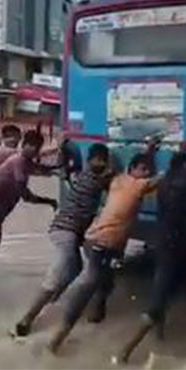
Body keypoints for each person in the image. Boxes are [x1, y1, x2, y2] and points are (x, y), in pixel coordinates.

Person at [47, 144, 159, 354]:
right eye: (143, 170)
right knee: (91, 280)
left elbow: (133, 169)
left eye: (148, 170)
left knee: (107, 278)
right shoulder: (139, 186)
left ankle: (92, 311)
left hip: (101, 241)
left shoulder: (118, 180)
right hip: (103, 242)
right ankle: (60, 333)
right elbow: (158, 179)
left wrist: (149, 151)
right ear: (133, 169)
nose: (147, 173)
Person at [114, 145, 186, 364]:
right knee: (160, 296)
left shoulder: (165, 182)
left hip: (162, 239)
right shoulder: (184, 183)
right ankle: (125, 351)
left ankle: (160, 334)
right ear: (185, 167)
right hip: (175, 243)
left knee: (164, 286)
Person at [13, 144, 112, 337]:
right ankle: (27, 318)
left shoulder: (82, 176)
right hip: (66, 231)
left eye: (103, 159)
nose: (101, 163)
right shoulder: (92, 180)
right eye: (98, 159)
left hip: (67, 232)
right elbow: (115, 183)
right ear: (90, 160)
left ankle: (52, 302)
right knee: (57, 274)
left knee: (74, 268)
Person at [0, 130, 58, 247]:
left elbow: (41, 168)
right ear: (24, 144)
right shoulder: (18, 161)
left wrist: (56, 169)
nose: (34, 150)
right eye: (32, 146)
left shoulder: (26, 162)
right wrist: (47, 201)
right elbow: (26, 196)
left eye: (37, 148)